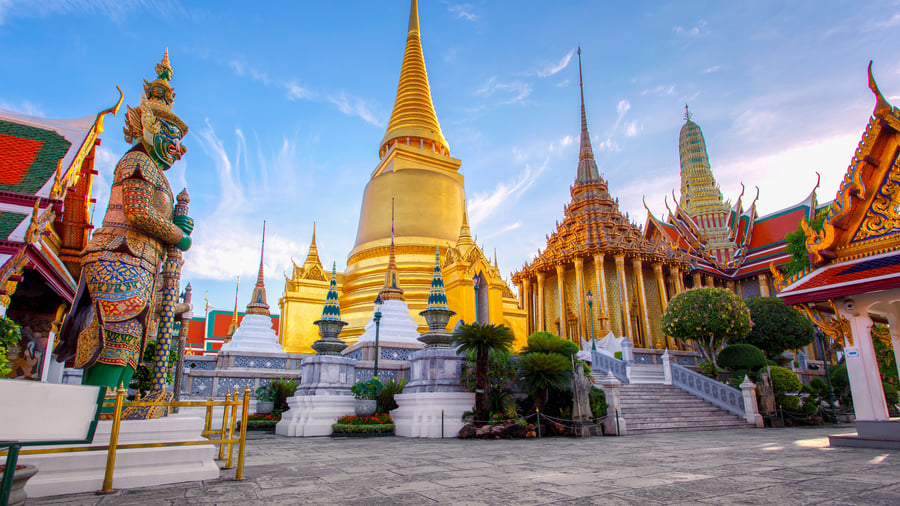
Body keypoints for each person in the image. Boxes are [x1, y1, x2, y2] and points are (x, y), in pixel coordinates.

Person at [56, 51, 193, 392]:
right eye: (173, 139)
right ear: (151, 129)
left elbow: (152, 216)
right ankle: (98, 414)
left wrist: (176, 226)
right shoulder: (137, 162)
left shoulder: (156, 173)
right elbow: (138, 213)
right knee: (114, 339)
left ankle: (110, 412)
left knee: (130, 344)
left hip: (139, 262)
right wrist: (178, 234)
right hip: (120, 256)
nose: (179, 149)